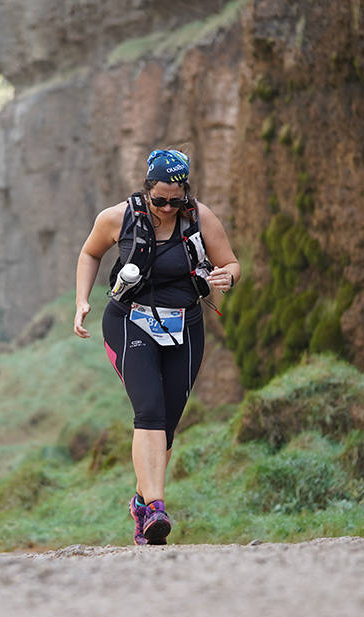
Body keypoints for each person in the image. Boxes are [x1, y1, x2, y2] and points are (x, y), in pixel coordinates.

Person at [73, 148, 240, 546]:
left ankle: (141, 503)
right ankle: (156, 508)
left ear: (186, 194)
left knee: (166, 424)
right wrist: (81, 301)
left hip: (185, 324)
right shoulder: (119, 217)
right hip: (130, 319)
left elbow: (232, 263)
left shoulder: (201, 218)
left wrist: (227, 279)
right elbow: (89, 253)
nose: (166, 208)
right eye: (158, 199)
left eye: (175, 200)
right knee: (148, 411)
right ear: (147, 188)